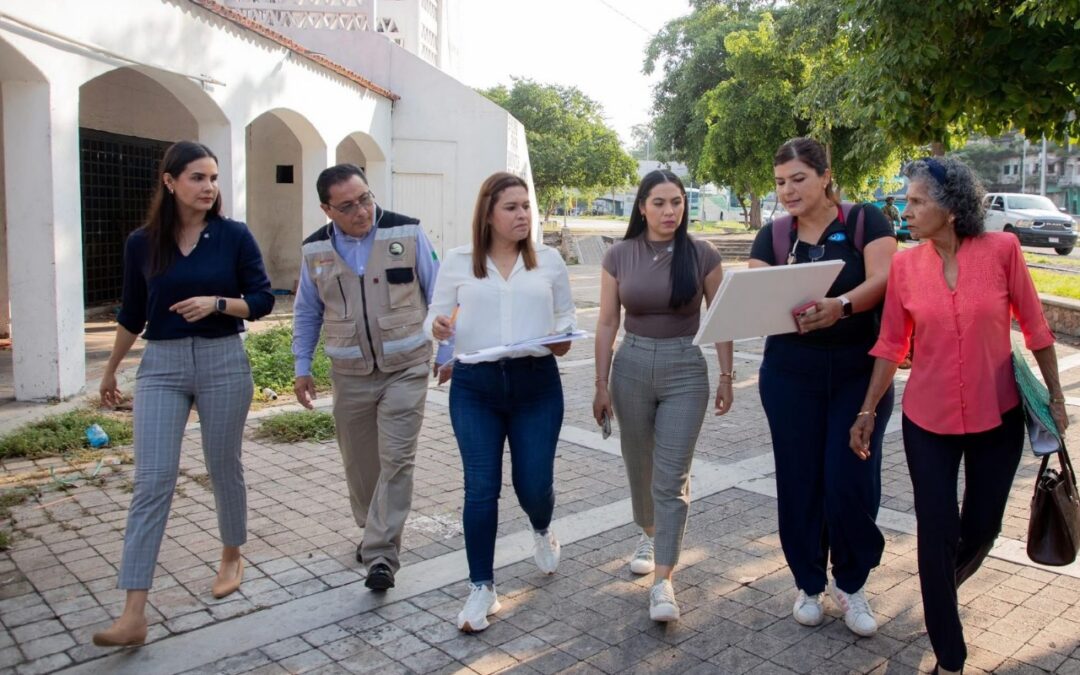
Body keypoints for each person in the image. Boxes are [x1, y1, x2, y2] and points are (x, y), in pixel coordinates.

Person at [849, 157, 1068, 675]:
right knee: (936, 528)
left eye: (918, 201)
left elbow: (1036, 328)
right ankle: (950, 653)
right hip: (928, 419)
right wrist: (866, 409)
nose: (907, 209)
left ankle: (939, 590)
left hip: (999, 417)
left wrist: (1057, 398)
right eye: (908, 199)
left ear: (950, 210)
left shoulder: (1002, 251)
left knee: (983, 526)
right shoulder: (905, 266)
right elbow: (890, 344)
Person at [93, 141, 274, 647]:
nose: (209, 187)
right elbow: (133, 312)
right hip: (162, 367)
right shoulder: (141, 243)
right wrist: (110, 371)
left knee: (223, 466)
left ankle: (232, 553)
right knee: (152, 480)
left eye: (213, 178)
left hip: (223, 362)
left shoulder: (234, 236)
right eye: (197, 177)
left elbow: (261, 299)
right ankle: (133, 613)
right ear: (170, 182)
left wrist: (217, 302)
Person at [749, 137, 898, 637]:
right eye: (780, 182)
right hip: (791, 376)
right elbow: (757, 297)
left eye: (798, 179)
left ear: (825, 175)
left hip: (858, 375)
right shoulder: (771, 237)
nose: (788, 190)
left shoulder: (865, 221)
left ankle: (852, 584)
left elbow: (884, 278)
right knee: (799, 482)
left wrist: (842, 307)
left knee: (849, 481)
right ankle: (808, 583)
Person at [424, 172, 575, 633]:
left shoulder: (548, 261)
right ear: (488, 213)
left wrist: (559, 339)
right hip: (475, 387)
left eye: (526, 206)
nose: (522, 215)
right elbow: (436, 316)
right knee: (480, 487)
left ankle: (541, 526)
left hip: (536, 386)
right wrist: (439, 329)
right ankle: (481, 587)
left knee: (533, 484)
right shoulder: (456, 261)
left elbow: (565, 330)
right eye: (511, 207)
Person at [292, 164, 447, 591]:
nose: (361, 211)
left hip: (406, 367)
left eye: (365, 198)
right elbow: (307, 312)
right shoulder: (314, 251)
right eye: (347, 206)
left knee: (397, 459)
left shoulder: (408, 234)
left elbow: (440, 295)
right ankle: (372, 527)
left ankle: (381, 554)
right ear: (327, 209)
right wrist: (301, 366)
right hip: (350, 372)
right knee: (360, 466)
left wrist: (448, 351)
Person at [592, 169, 734, 623]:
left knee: (672, 475)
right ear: (642, 206)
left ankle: (664, 582)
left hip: (685, 370)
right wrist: (600, 382)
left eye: (677, 202)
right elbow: (607, 322)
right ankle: (649, 532)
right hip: (630, 366)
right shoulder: (619, 255)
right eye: (660, 203)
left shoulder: (702, 254)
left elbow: (723, 318)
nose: (670, 211)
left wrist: (728, 375)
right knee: (640, 466)